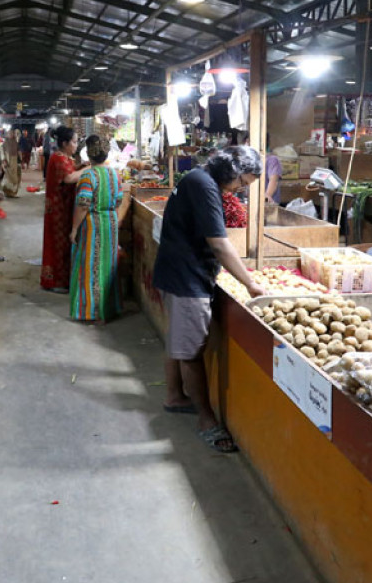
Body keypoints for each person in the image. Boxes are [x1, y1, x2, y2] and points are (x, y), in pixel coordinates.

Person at [154, 146, 265, 453]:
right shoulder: (204, 186)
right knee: (191, 351)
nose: (240, 189)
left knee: (177, 339)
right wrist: (251, 284)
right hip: (186, 277)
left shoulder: (196, 177)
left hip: (174, 270)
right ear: (232, 169)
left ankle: (175, 396)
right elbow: (218, 242)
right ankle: (207, 420)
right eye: (242, 182)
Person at [69, 136, 130, 322]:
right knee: (108, 265)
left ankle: (91, 311)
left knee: (90, 265)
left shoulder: (88, 176)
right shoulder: (114, 175)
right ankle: (109, 308)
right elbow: (119, 200)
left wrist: (74, 229)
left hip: (92, 223)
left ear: (88, 154)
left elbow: (83, 204)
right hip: (110, 223)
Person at [41, 126, 85, 292]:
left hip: (63, 206)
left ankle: (61, 279)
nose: (76, 145)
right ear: (65, 143)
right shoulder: (58, 158)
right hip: (58, 208)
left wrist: (82, 167)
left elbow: (73, 172)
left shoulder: (65, 157)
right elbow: (69, 178)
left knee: (64, 244)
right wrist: (92, 168)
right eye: (73, 142)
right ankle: (57, 282)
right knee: (58, 244)